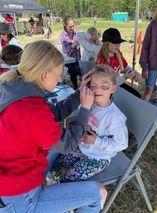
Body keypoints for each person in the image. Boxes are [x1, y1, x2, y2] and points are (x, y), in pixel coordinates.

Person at [0, 40, 107, 213]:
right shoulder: (31, 110)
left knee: (53, 150)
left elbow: (53, 113)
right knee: (98, 192)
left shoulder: (15, 87)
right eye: (58, 74)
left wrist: (79, 94)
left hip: (10, 178)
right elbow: (69, 143)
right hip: (22, 196)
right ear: (44, 75)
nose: (60, 78)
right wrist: (85, 109)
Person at [51, 65, 128, 183]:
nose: (98, 90)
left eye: (104, 87)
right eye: (93, 86)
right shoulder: (89, 102)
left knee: (68, 180)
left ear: (113, 88)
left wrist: (96, 141)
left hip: (98, 157)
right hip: (82, 147)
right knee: (55, 167)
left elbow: (122, 144)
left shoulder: (115, 117)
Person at [96, 28, 142, 98]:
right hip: (106, 91)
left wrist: (134, 73)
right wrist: (125, 77)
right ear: (106, 44)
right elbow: (108, 83)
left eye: (119, 42)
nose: (118, 45)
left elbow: (125, 68)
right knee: (132, 99)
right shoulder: (102, 61)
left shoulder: (117, 55)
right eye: (114, 43)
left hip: (117, 85)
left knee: (137, 96)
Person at [139, 6, 157, 101]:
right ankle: (143, 111)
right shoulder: (153, 25)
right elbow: (145, 47)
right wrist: (145, 67)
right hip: (153, 64)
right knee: (148, 90)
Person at [60, 15, 81, 89]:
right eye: (70, 27)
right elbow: (66, 51)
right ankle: (75, 87)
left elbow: (87, 38)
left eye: (73, 26)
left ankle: (83, 86)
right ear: (65, 25)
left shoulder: (78, 32)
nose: (72, 28)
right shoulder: (63, 36)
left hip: (78, 58)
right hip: (69, 61)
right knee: (73, 70)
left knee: (85, 67)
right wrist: (74, 44)